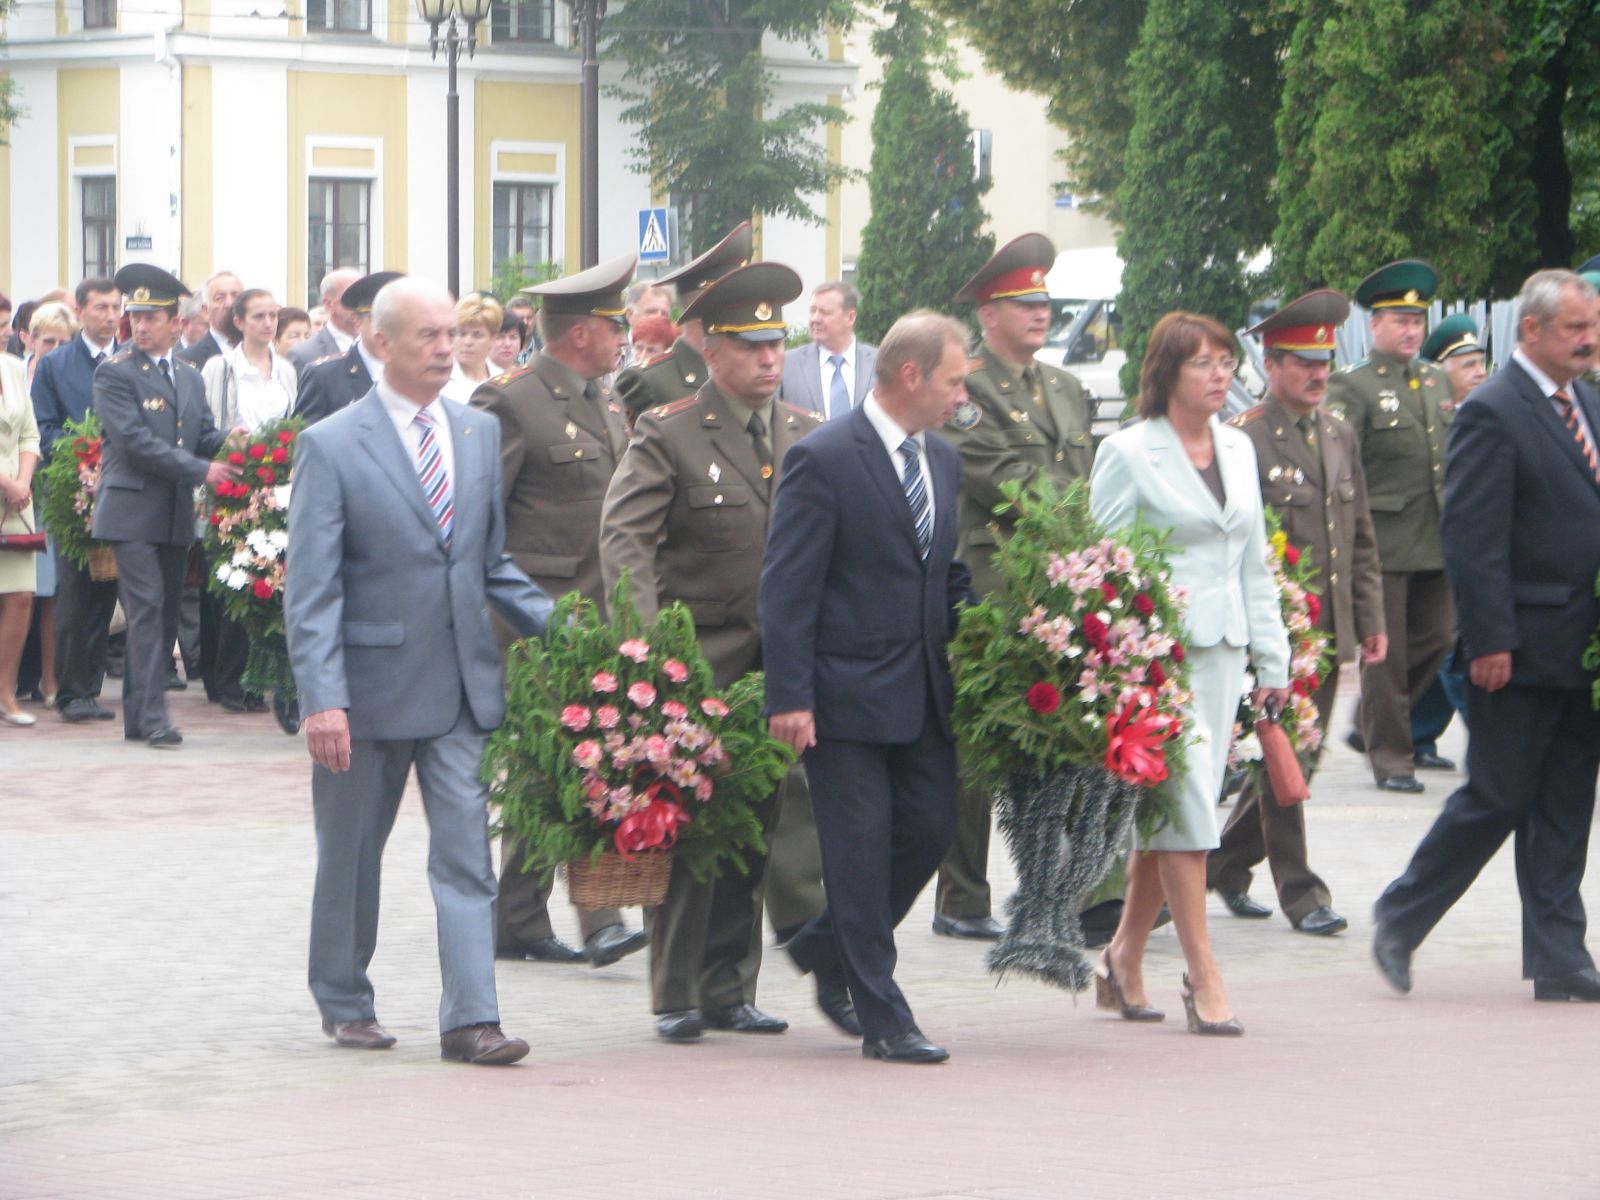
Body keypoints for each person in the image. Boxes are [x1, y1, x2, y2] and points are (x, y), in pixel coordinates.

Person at [286, 276, 554, 1064]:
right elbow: (312, 589)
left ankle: (472, 1019)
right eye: (428, 337)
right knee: (351, 855)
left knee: (467, 856)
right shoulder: (332, 443)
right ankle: (344, 997)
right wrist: (323, 700)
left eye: (452, 335)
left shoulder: (474, 433)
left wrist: (574, 632)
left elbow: (490, 564)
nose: (446, 349)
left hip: (461, 688)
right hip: (364, 695)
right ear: (381, 342)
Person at [601, 262, 832, 1044]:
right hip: (699, 660)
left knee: (760, 827)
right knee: (688, 825)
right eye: (751, 345)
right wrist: (645, 653)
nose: (770, 359)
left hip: (782, 666)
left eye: (777, 344)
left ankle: (731, 986)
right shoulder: (670, 428)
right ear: (712, 351)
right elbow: (626, 541)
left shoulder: (805, 431)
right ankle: (675, 993)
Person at [1373, 269, 1600, 1002]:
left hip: (1584, 647)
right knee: (1498, 797)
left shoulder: (1590, 402)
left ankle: (1560, 956)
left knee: (1567, 801)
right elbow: (1472, 538)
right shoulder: (1493, 411)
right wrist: (1491, 639)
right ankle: (1401, 916)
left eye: (1592, 326)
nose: (1590, 339)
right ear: (1530, 332)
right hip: (1520, 647)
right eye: (1575, 328)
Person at [762, 311, 974, 1063]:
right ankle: (884, 1016)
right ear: (910, 375)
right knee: (856, 851)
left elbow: (943, 573)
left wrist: (989, 636)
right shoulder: (825, 457)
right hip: (842, 697)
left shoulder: (942, 461)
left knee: (929, 826)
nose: (960, 397)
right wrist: (789, 696)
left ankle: (826, 946)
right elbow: (788, 587)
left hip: (921, 691)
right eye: (953, 381)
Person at [1088, 312, 1290, 1036]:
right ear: (1166, 373)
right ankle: (1204, 974)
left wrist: (1274, 661)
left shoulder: (1238, 446)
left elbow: (1253, 564)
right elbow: (1106, 564)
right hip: (1158, 659)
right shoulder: (1129, 451)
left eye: (1226, 360)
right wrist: (1124, 657)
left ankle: (1123, 954)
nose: (1219, 373)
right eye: (1202, 361)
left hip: (1224, 654)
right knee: (1189, 815)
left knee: (1179, 812)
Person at [470, 254, 648, 969]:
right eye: (616, 325)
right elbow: (479, 519)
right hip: (531, 615)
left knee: (556, 764)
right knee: (576, 756)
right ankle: (600, 914)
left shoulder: (605, 398)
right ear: (581, 332)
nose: (625, 336)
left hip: (597, 609)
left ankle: (515, 919)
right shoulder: (510, 401)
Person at [1206, 291, 1387, 936]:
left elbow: (1360, 533)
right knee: (1281, 758)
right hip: (1276, 631)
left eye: (1325, 363)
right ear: (1274, 365)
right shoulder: (1245, 440)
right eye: (1304, 363)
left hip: (1329, 627)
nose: (1318, 375)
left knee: (1289, 763)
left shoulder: (1337, 432)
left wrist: (1370, 620)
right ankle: (1302, 894)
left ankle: (1216, 867)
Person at [936, 233, 1097, 940]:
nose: (1040, 312)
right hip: (993, 587)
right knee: (978, 751)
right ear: (988, 314)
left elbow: (1081, 474)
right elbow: (999, 478)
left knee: (1060, 740)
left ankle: (1052, 888)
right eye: (1023, 303)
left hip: (1062, 590)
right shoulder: (966, 392)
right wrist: (1092, 510)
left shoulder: (1064, 387)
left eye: (1044, 301)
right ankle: (961, 898)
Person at [93, 265, 236, 748]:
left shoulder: (190, 378)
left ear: (177, 322)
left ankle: (138, 715)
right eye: (135, 316)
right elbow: (134, 444)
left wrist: (235, 444)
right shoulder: (115, 372)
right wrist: (202, 471)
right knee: (148, 608)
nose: (140, 325)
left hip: (173, 514)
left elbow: (201, 435)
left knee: (165, 611)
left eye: (152, 317)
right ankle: (154, 716)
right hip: (130, 511)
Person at [1325, 260, 1454, 794]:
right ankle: (1394, 759)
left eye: (1417, 321)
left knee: (1439, 640)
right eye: (1399, 320)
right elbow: (1337, 457)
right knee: (1388, 656)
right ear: (1374, 325)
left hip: (1437, 537)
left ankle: (1367, 723)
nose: (1410, 331)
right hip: (1382, 540)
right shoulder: (1352, 384)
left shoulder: (1436, 378)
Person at [199, 289, 298, 718]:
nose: (267, 323)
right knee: (234, 577)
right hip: (234, 478)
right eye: (258, 316)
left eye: (273, 316)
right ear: (238, 321)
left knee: (271, 579)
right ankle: (227, 678)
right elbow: (208, 426)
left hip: (277, 481)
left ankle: (262, 678)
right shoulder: (221, 368)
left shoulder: (288, 370)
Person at [1399, 313, 1487, 773]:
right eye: (1466, 363)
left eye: (1480, 362)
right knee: (1453, 646)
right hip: (1429, 546)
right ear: (1437, 372)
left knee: (1441, 643)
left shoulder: (1488, 412)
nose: (1478, 371)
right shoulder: (1428, 419)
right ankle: (1491, 738)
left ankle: (1415, 731)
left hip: (1468, 545)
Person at [32, 279, 120, 724]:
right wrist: (83, 451)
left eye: (115, 308)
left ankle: (91, 685)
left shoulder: (128, 361)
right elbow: (43, 428)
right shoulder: (56, 365)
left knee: (107, 593)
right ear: (81, 311)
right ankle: (69, 690)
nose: (110, 316)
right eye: (101, 307)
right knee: (75, 591)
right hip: (74, 493)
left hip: (122, 493)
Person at [615, 222, 752, 423]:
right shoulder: (646, 380)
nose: (740, 314)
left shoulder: (740, 370)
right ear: (700, 311)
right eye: (731, 305)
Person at [292, 272, 400, 426]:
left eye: (395, 321)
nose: (387, 330)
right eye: (378, 320)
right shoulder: (324, 376)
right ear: (357, 322)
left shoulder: (412, 372)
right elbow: (305, 439)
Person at [0, 347, 41, 726]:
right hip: (6, 487)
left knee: (21, 596)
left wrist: (22, 483)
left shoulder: (13, 368)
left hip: (15, 502)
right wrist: (6, 483)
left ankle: (6, 693)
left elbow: (29, 434)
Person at [779, 282, 879, 420]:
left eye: (824, 312)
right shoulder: (786, 364)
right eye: (813, 311)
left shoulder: (880, 362)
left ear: (850, 317)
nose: (815, 319)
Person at [287, 268, 360, 374]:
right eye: (351, 297)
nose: (359, 304)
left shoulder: (380, 348)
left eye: (364, 296)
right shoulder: (304, 355)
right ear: (329, 304)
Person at [442, 294, 503, 404]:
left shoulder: (501, 380)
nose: (467, 342)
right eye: (461, 333)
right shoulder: (439, 379)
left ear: (493, 338)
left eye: (477, 335)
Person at [178, 271, 243, 369]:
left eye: (236, 296)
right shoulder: (184, 361)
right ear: (206, 309)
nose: (229, 304)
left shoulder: (262, 352)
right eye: (219, 298)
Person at [620, 281, 674, 370]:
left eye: (664, 314)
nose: (658, 319)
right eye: (651, 312)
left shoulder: (675, 356)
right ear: (630, 315)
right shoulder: (613, 354)